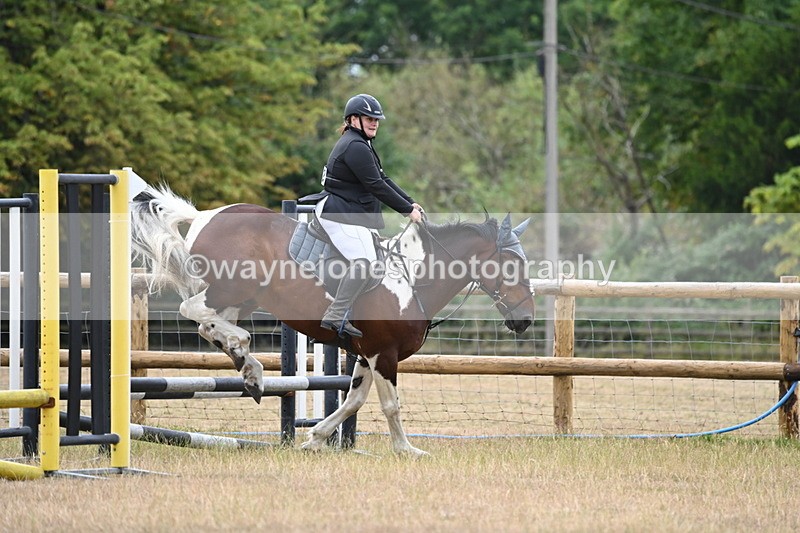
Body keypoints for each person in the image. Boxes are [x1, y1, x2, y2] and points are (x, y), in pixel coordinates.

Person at [314, 93, 424, 338]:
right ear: (353, 119)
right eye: (368, 118)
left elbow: (383, 179)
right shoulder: (355, 146)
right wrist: (407, 211)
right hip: (337, 215)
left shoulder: (361, 143)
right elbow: (376, 186)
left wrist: (410, 201)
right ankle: (335, 314)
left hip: (348, 213)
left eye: (376, 119)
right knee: (366, 263)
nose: (374, 122)